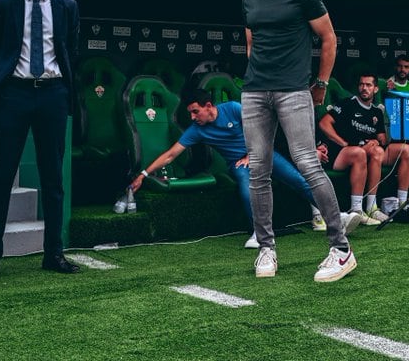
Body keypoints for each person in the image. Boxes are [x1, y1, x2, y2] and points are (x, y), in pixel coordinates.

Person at [241, 0, 354, 283]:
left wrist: (320, 83)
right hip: (255, 92)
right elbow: (251, 45)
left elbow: (329, 38)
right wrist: (259, 80)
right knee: (258, 170)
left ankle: (341, 248)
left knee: (307, 163)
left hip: (294, 91)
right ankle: (266, 248)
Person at [0, 0, 79, 282]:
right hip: (15, 95)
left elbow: (69, 49)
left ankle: (54, 253)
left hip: (53, 94)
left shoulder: (67, 7)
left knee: (53, 178)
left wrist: (59, 88)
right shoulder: (6, 3)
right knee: (2, 175)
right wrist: (9, 80)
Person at [130, 92, 328, 248]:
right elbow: (171, 154)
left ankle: (334, 216)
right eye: (190, 113)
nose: (192, 117)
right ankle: (259, 234)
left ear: (209, 106)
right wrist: (143, 174)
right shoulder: (197, 129)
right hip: (238, 163)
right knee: (245, 185)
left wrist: (252, 153)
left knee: (297, 179)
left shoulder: (232, 108)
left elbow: (262, 126)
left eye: (195, 111)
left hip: (262, 152)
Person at [317, 74, 409, 223]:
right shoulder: (348, 104)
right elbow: (324, 123)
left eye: (368, 85)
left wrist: (381, 138)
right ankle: (356, 210)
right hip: (343, 152)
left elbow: (382, 138)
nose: (364, 88)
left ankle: (387, 206)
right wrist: (342, 142)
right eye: (362, 85)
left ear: (375, 89)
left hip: (367, 152)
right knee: (360, 152)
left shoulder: (376, 112)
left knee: (402, 150)